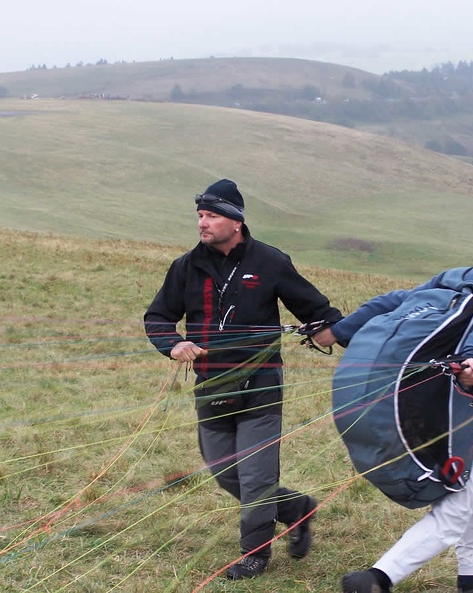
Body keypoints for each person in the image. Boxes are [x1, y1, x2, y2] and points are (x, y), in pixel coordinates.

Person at [312, 228, 473, 593]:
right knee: (457, 507)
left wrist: (340, 331)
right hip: (454, 403)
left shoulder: (457, 276)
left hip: (423, 392)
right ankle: (379, 577)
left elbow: (396, 300)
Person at [144, 178, 342, 580]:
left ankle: (254, 554)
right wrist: (174, 344)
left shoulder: (271, 262)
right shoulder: (185, 267)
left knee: (255, 475)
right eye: (200, 215)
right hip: (211, 386)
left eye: (212, 216)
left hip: (261, 386)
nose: (202, 223)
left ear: (235, 222)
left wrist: (344, 333)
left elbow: (317, 310)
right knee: (223, 471)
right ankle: (295, 509)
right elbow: (158, 317)